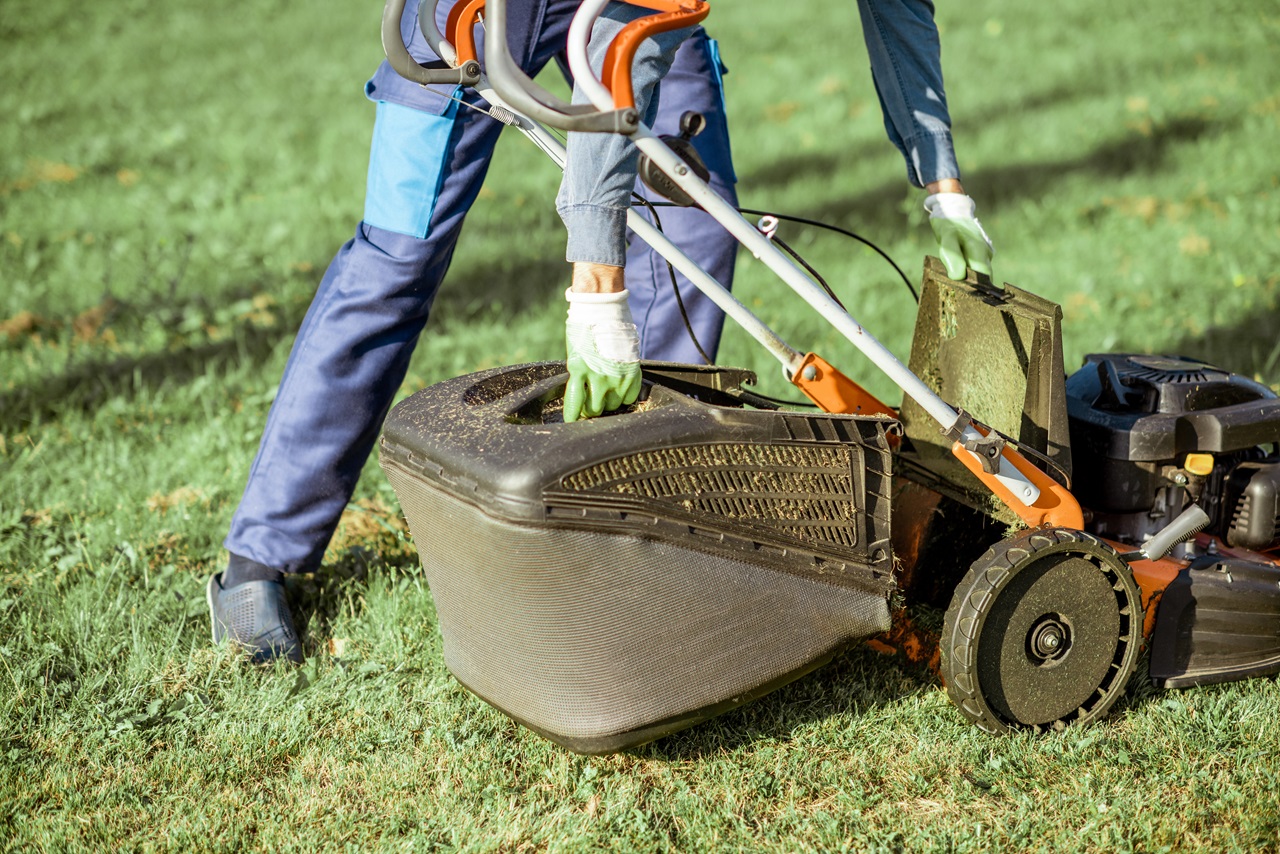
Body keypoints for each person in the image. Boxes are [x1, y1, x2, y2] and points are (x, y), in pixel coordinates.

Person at [208, 0, 994, 665]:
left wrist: (942, 184)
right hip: (485, 13)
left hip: (641, 14)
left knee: (696, 227)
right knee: (396, 259)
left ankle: (650, 522)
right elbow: (610, 69)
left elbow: (895, 11)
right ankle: (261, 559)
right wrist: (597, 293)